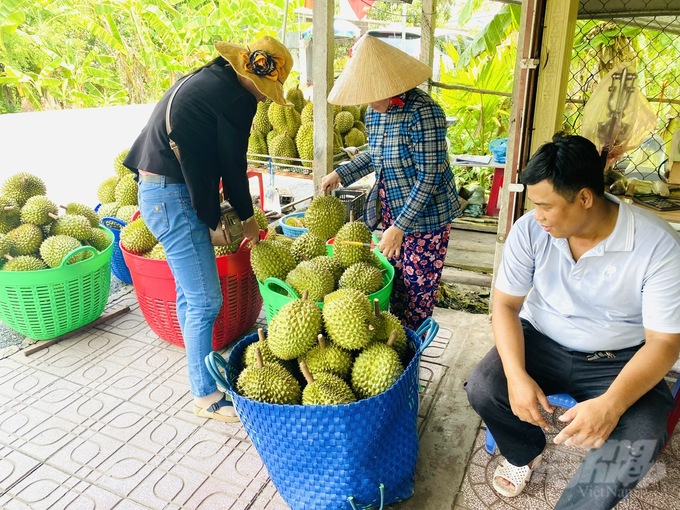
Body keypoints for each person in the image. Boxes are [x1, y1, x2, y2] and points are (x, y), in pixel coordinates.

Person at [465, 134, 680, 509]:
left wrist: (612, 404)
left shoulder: (656, 246)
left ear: (584, 197)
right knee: (484, 386)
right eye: (534, 205)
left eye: (546, 206)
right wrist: (516, 378)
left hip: (618, 359)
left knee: (643, 435)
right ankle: (523, 452)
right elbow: (504, 305)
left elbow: (664, 343)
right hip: (543, 341)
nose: (538, 216)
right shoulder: (530, 230)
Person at [123, 36, 293, 422]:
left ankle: (199, 372)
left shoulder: (208, 77)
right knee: (205, 301)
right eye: (267, 91)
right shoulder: (237, 99)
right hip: (171, 198)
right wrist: (247, 219)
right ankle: (204, 396)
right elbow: (232, 164)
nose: (267, 99)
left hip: (155, 190)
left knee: (189, 295)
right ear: (253, 78)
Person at [321, 35, 462, 331]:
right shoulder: (375, 113)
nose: (369, 101)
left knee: (417, 292)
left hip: (427, 217)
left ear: (392, 86)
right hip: (393, 208)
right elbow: (376, 154)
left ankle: (414, 356)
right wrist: (342, 173)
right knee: (394, 282)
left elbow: (430, 175)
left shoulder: (424, 112)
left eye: (373, 93)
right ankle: (394, 342)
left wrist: (400, 227)